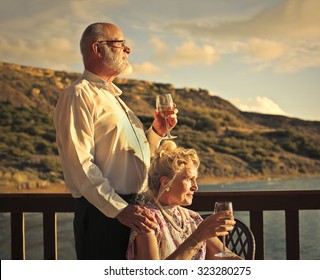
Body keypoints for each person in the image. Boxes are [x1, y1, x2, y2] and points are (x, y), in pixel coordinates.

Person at [54, 22, 177, 259]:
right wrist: (120, 210)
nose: (127, 49)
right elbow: (80, 165)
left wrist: (157, 132)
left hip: (134, 211)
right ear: (98, 49)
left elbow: (131, 157)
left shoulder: (115, 98)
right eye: (120, 43)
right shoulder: (78, 95)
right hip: (105, 214)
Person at [127, 141, 242, 260]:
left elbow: (226, 257)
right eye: (189, 179)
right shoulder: (147, 220)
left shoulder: (192, 218)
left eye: (195, 180)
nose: (195, 187)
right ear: (166, 183)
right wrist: (198, 237)